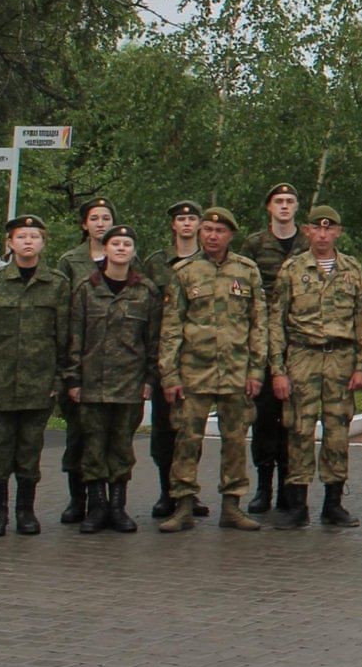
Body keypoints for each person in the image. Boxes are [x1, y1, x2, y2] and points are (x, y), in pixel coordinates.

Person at [157, 206, 266, 533]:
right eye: (207, 230)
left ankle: (232, 505)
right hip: (194, 372)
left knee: (235, 440)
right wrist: (169, 375)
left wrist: (256, 371)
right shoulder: (185, 272)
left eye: (219, 231)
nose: (212, 236)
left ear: (230, 235)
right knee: (187, 441)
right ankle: (183, 505)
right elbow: (171, 327)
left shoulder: (247, 271)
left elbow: (259, 325)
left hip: (236, 371)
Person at [266, 205, 362, 529]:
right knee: (298, 429)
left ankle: (333, 503)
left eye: (330, 229)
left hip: (340, 358)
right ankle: (298, 505)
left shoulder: (352, 269)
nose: (323, 234)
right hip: (303, 356)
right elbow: (276, 320)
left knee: (338, 432)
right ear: (307, 231)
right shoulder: (292, 269)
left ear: (338, 232)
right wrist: (278, 369)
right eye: (317, 228)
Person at [0, 215, 69, 538]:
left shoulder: (56, 283)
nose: (28, 241)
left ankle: (25, 511)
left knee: (29, 452)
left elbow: (64, 337)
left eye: (34, 236)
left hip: (38, 385)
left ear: (43, 243)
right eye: (21, 236)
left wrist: (59, 380)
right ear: (10, 243)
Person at [64, 224, 159, 533]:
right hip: (92, 382)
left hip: (129, 384)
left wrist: (149, 378)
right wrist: (73, 380)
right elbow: (74, 337)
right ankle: (97, 506)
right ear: (104, 250)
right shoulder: (85, 289)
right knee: (92, 446)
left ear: (133, 252)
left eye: (126, 244)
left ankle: (118, 507)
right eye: (115, 243)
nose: (120, 248)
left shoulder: (145, 290)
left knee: (121, 447)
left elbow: (153, 340)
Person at [53, 196, 118, 524]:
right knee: (78, 434)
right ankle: (78, 499)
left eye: (106, 218)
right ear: (84, 224)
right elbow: (63, 313)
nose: (101, 223)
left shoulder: (123, 256)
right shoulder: (70, 261)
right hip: (81, 359)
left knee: (109, 436)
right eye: (94, 218)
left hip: (114, 362)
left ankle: (105, 502)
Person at [242, 183, 304, 517]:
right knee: (265, 419)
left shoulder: (307, 243)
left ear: (297, 207)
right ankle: (263, 487)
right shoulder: (254, 243)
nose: (284, 206)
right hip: (264, 340)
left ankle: (289, 489)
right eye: (278, 201)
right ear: (269, 207)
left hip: (299, 341)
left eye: (289, 201)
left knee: (293, 421)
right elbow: (243, 288)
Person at [144, 201, 204, 521]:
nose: (186, 224)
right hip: (164, 358)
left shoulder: (208, 263)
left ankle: (189, 493)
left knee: (192, 431)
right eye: (181, 219)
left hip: (199, 359)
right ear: (173, 225)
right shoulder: (156, 264)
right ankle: (166, 492)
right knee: (164, 432)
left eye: (192, 218)